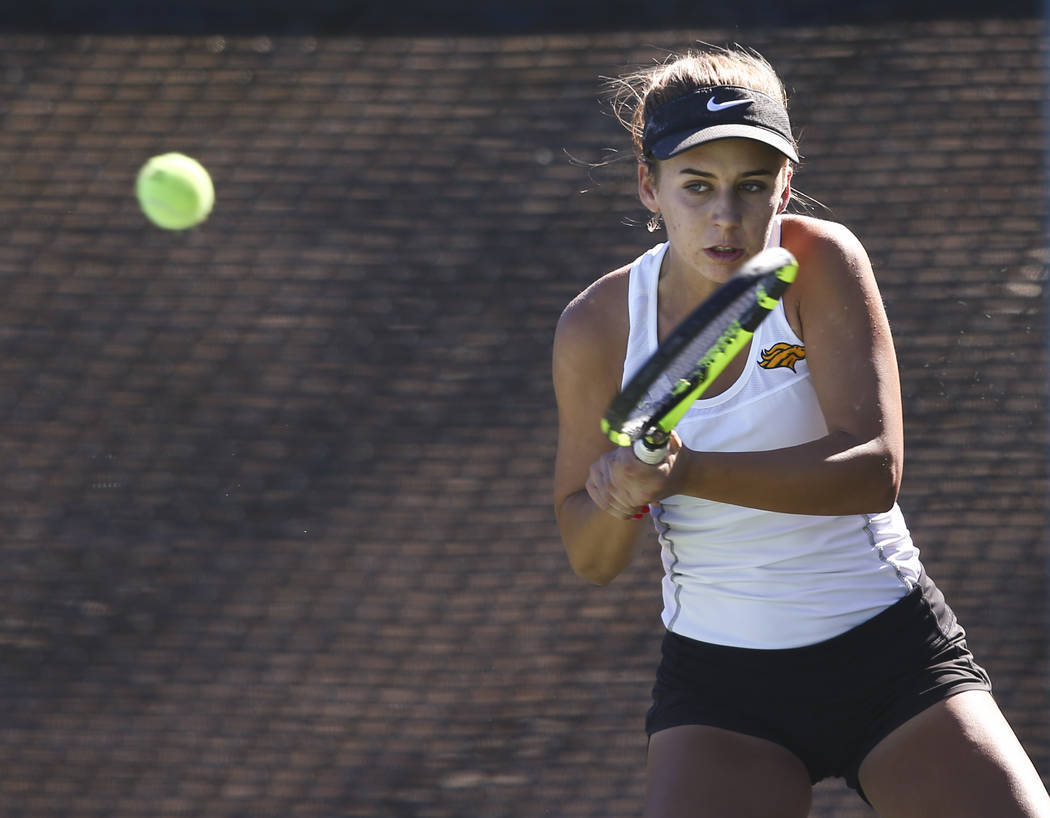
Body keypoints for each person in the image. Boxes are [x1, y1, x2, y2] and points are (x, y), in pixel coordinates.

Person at [551, 44, 1050, 818]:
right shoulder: (596, 326)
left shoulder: (822, 260)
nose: (727, 216)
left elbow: (872, 471)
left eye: (753, 187)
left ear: (786, 184)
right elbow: (590, 558)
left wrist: (686, 472)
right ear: (649, 186)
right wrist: (624, 497)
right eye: (697, 186)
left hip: (894, 659)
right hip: (722, 693)